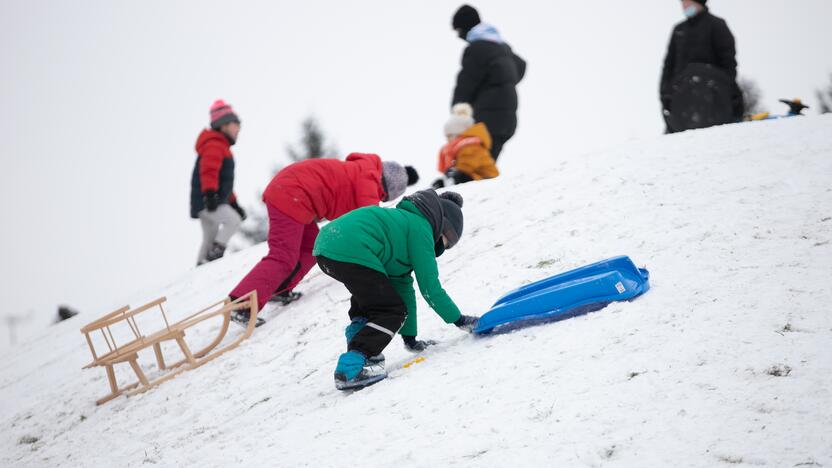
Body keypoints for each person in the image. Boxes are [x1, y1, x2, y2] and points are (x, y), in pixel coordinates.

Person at [313, 189, 479, 390]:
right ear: (440, 223)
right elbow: (430, 289)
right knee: (391, 311)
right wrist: (460, 320)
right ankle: (350, 369)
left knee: (375, 301)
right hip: (352, 246)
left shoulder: (402, 226)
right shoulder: (421, 228)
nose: (444, 245)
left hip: (328, 247)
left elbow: (403, 287)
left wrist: (410, 339)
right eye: (448, 237)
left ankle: (363, 352)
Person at [227, 153, 419, 327]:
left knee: (311, 248)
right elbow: (373, 229)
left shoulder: (364, 171)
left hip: (294, 194)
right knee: (282, 256)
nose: (380, 200)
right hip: (292, 194)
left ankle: (280, 288)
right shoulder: (368, 185)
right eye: (383, 198)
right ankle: (241, 304)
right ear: (386, 189)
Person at [451, 4, 526, 161]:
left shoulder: (477, 48)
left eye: (458, 31)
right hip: (508, 118)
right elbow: (521, 65)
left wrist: (457, 109)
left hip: (486, 119)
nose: (458, 36)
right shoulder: (501, 46)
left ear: (465, 27)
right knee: (486, 166)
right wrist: (504, 82)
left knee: (472, 169)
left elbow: (466, 82)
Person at [660, 0, 743, 133]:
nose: (684, 6)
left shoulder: (717, 25)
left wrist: (724, 90)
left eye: (688, 2)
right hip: (681, 103)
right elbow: (668, 67)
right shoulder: (679, 30)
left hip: (714, 101)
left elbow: (729, 64)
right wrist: (665, 95)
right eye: (683, 3)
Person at [190, 100, 246, 265]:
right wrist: (209, 194)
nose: (238, 130)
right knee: (233, 220)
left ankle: (200, 266)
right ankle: (215, 254)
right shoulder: (214, 145)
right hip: (208, 200)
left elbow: (225, 183)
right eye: (236, 125)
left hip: (208, 200)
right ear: (224, 125)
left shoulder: (221, 147)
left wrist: (234, 202)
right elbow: (209, 171)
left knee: (209, 238)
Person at [432, 103, 499, 188]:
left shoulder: (471, 147)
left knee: (459, 178)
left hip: (488, 180)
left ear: (459, 135)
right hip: (477, 178)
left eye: (450, 136)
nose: (447, 140)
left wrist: (451, 177)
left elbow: (465, 168)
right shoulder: (461, 147)